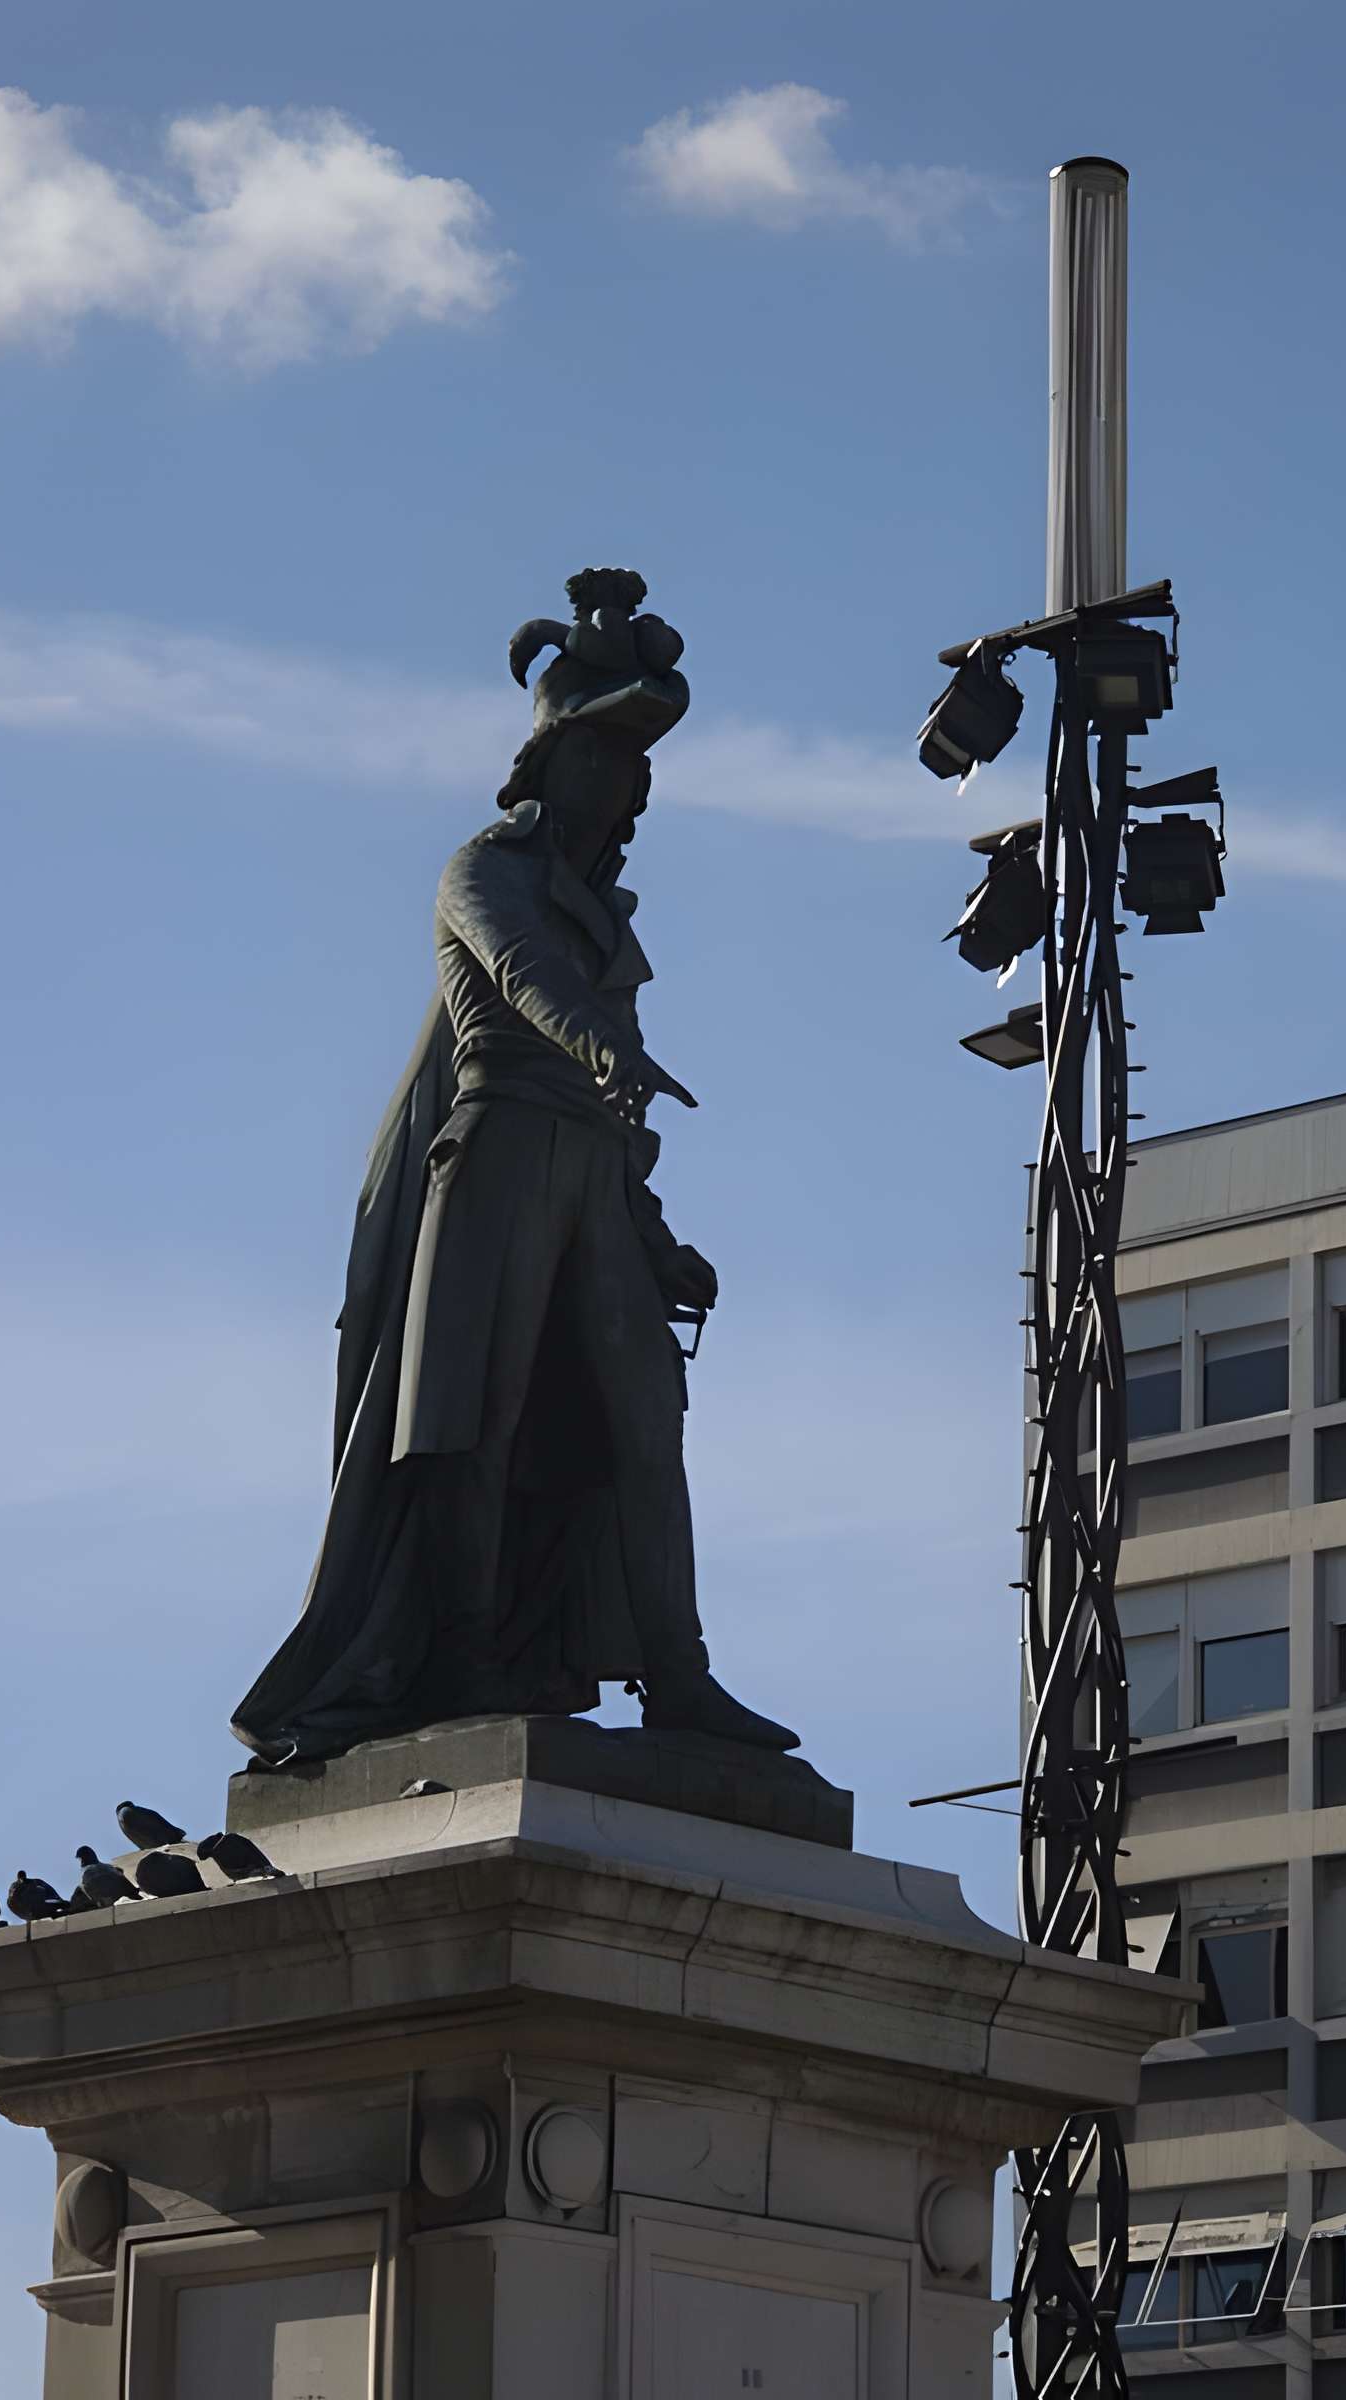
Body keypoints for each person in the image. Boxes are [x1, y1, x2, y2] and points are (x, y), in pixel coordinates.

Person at [231, 569, 798, 1764]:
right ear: (549, 764)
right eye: (605, 754)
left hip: (593, 1172)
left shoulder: (616, 915)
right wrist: (603, 1042)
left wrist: (651, 1235)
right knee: (470, 1421)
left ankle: (679, 1673)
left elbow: (618, 1093)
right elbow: (521, 972)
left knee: (645, 1422)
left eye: (636, 764)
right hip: (491, 1156)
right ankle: (466, 1649)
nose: (627, 780)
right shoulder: (481, 869)